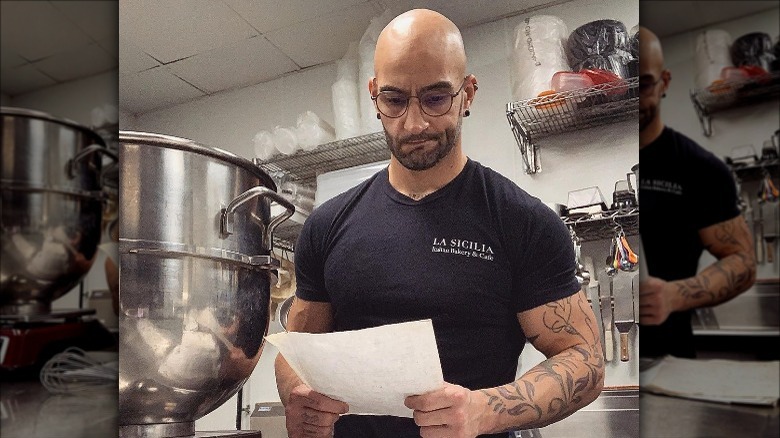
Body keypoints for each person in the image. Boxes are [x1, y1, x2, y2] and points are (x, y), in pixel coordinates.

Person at [275, 9, 605, 438]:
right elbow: (296, 348)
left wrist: (483, 409)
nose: (414, 123)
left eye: (436, 98)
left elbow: (585, 358)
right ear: (374, 95)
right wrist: (296, 394)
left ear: (467, 93)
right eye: (394, 100)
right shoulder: (326, 225)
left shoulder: (523, 221)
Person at [637, 26, 757, 358]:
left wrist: (674, 295)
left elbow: (742, 261)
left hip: (667, 360)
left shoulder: (698, 168)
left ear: (665, 82)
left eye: (644, 83)